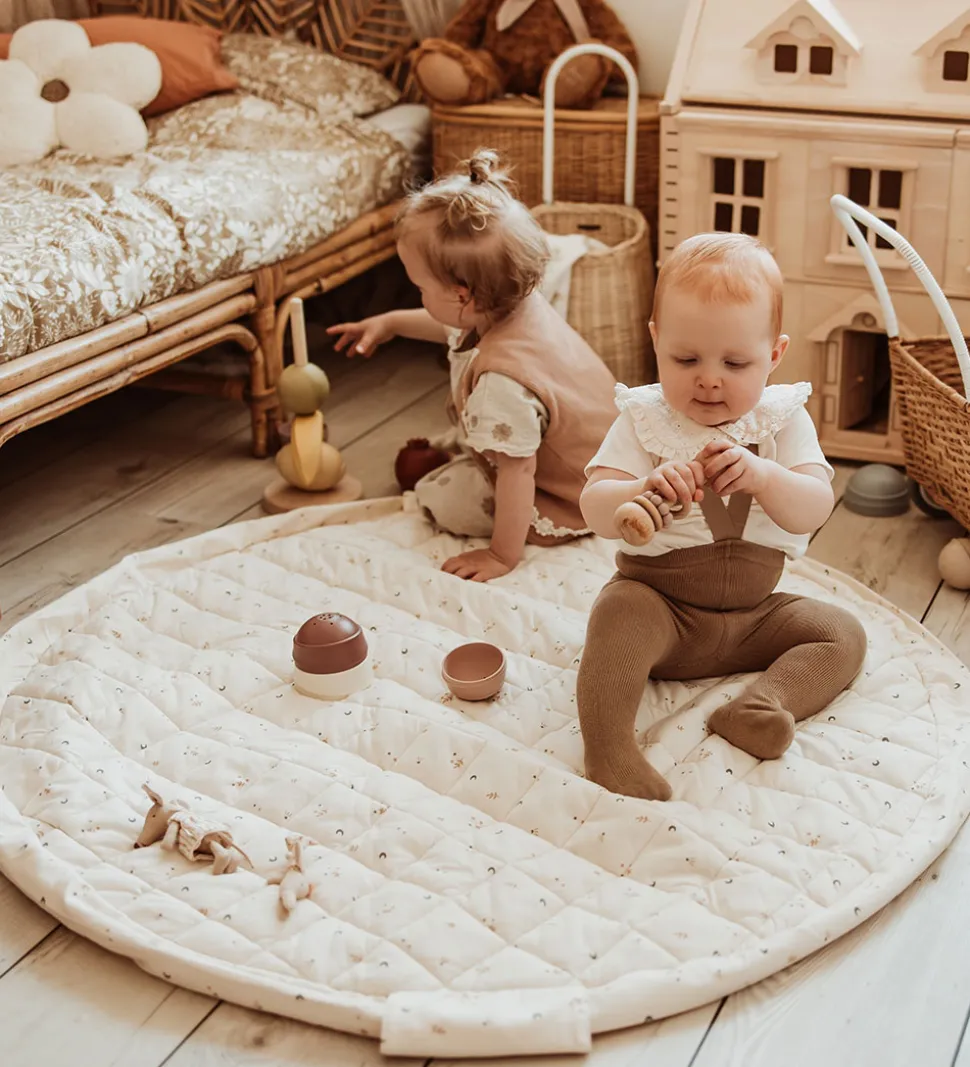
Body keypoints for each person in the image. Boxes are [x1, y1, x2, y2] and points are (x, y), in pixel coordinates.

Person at [577, 232, 867, 801]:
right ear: (656, 341)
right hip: (664, 615)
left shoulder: (783, 419)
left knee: (843, 634)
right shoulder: (645, 420)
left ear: (774, 355)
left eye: (735, 363)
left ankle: (761, 705)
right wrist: (641, 488)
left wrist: (765, 477)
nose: (709, 378)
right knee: (616, 611)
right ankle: (608, 749)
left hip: (754, 619)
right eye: (685, 359)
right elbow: (594, 504)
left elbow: (814, 507)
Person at [328, 149, 618, 582]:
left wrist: (501, 555)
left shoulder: (502, 381)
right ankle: (473, 448)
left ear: (461, 296)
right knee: (479, 438)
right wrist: (390, 323)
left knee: (440, 498)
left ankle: (472, 481)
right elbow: (450, 325)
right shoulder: (514, 306)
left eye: (419, 288)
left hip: (574, 494)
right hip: (600, 456)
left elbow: (519, 472)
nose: (418, 296)